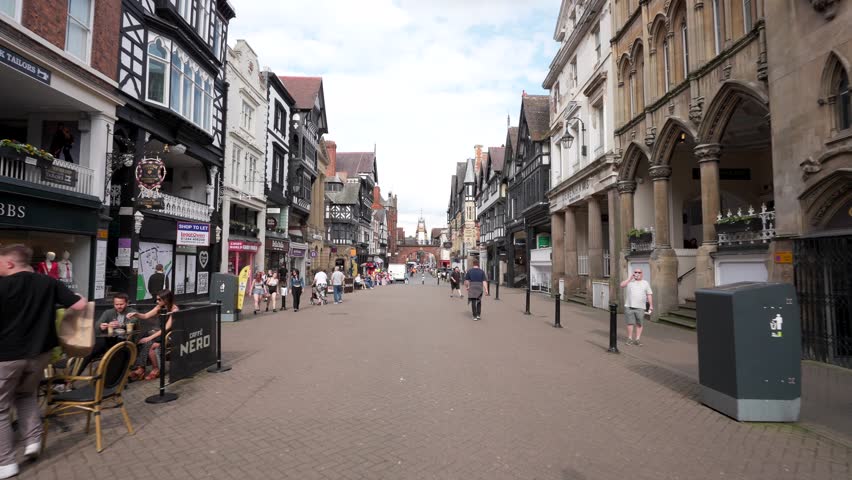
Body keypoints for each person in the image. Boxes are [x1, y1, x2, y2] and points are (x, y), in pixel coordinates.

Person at [0, 244, 87, 476]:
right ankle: (33, 442)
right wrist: (77, 297)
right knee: (27, 395)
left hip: (6, 356)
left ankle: (6, 463)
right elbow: (79, 305)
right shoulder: (48, 282)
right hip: (41, 353)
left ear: (10, 263)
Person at [77, 293, 138, 374]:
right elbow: (97, 325)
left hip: (126, 342)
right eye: (116, 304)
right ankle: (72, 377)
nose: (119, 306)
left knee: (114, 355)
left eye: (121, 304)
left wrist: (120, 325)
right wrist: (101, 326)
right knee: (90, 351)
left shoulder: (133, 312)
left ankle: (110, 380)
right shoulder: (108, 312)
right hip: (109, 340)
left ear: (127, 303)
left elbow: (133, 321)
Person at [126, 289, 178, 380]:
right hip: (158, 333)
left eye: (159, 300)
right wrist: (135, 314)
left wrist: (149, 338)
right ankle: (141, 368)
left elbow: (166, 328)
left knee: (150, 344)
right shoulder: (159, 307)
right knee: (140, 341)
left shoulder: (174, 310)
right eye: (157, 299)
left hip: (169, 335)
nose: (157, 302)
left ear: (166, 299)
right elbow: (146, 316)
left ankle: (154, 369)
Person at [620, 268, 653, 346]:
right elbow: (622, 285)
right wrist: (629, 278)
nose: (637, 273)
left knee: (639, 324)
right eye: (635, 272)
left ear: (642, 274)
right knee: (630, 323)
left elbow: (649, 294)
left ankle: (637, 339)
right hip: (629, 306)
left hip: (640, 307)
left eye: (639, 272)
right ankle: (630, 338)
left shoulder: (645, 283)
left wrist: (651, 305)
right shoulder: (630, 282)